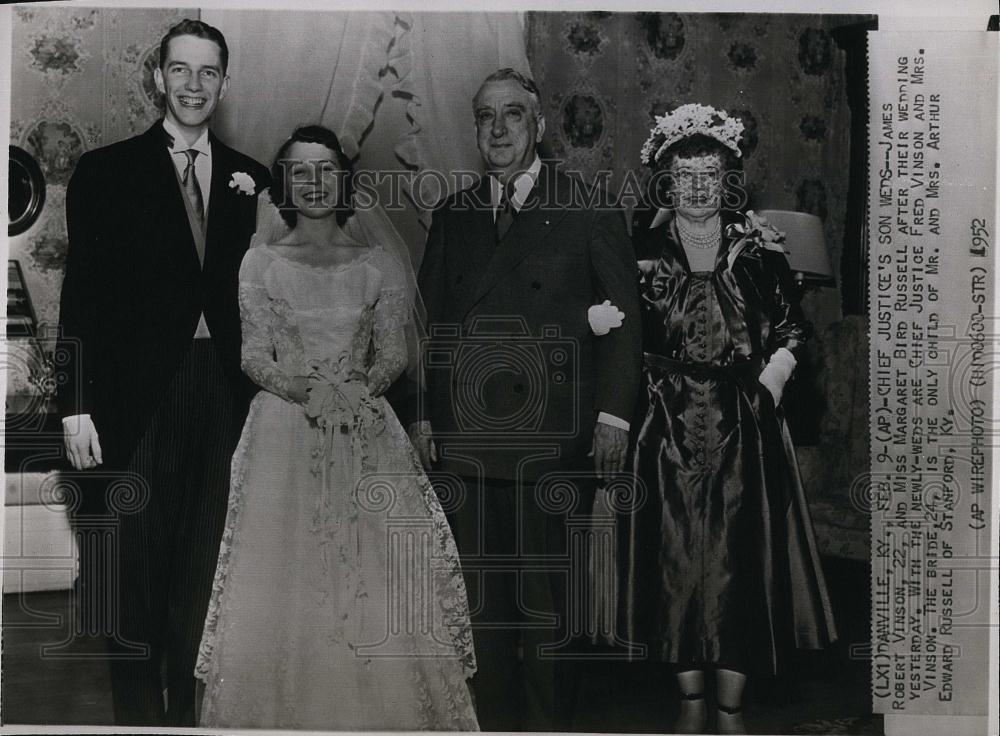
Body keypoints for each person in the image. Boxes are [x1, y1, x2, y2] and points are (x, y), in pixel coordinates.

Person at [194, 125, 478, 730]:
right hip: (284, 430)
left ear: (344, 179)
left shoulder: (376, 262)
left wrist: (356, 390)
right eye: (300, 171)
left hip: (363, 425)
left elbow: (393, 355)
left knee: (374, 566)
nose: (314, 183)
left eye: (326, 170)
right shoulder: (259, 261)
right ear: (285, 183)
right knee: (285, 572)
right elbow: (253, 355)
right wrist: (301, 390)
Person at [408, 68, 642, 731]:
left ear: (539, 126)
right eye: (486, 116)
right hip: (466, 441)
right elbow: (427, 323)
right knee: (482, 611)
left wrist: (613, 417)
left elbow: (623, 323)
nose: (500, 128)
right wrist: (423, 412)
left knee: (546, 614)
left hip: (552, 439)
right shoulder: (454, 213)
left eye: (514, 114)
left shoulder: (589, 207)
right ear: (475, 129)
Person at [56, 19, 268, 726]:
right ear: (158, 77)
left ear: (225, 84)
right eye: (181, 70)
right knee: (135, 590)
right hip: (137, 402)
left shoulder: (253, 180)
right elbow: (81, 295)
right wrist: (76, 404)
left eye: (209, 73)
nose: (194, 85)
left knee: (204, 584)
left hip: (225, 401)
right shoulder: (106, 171)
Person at [621, 104, 837, 734]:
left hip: (744, 429)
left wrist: (769, 385)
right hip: (664, 428)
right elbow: (621, 333)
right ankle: (690, 703)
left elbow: (795, 328)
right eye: (683, 175)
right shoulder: (643, 253)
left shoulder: (759, 251)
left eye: (708, 176)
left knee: (738, 564)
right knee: (677, 564)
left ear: (726, 182)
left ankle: (733, 711)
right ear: (667, 180)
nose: (695, 188)